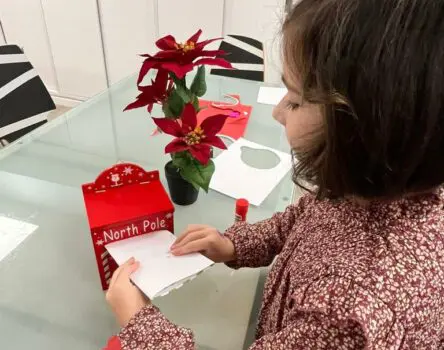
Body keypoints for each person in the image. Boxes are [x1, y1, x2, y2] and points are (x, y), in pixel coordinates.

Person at [104, 0, 444, 348]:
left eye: (295, 100)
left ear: (366, 129)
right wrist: (235, 245)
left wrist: (138, 323)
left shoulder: (348, 314)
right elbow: (304, 220)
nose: (278, 112)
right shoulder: (374, 185)